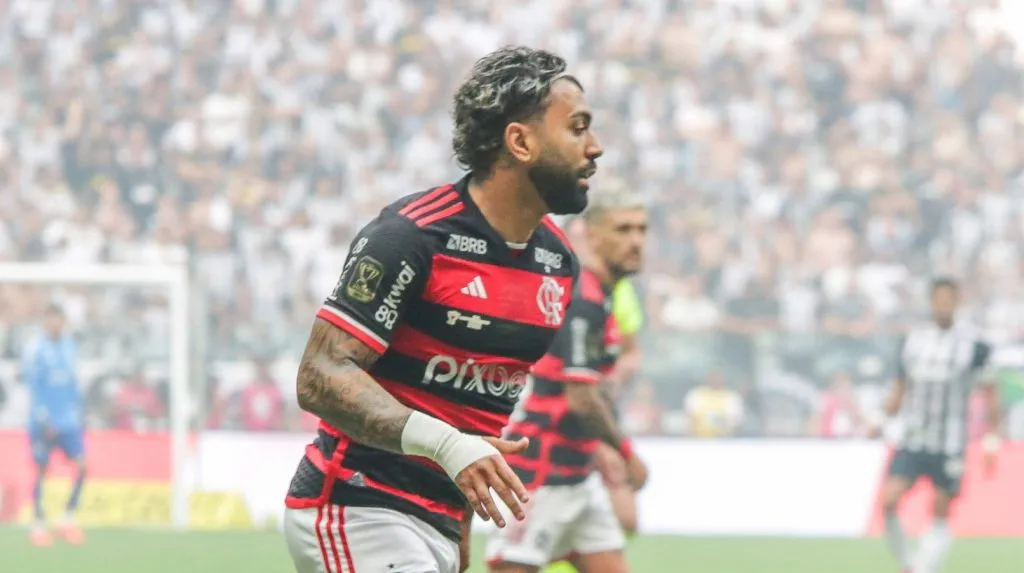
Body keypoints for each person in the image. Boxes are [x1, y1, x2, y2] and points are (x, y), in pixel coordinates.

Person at [282, 45, 603, 573]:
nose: (595, 147)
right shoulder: (413, 235)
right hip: (356, 506)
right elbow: (319, 374)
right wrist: (447, 446)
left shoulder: (556, 263)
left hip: (438, 524)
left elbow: (476, 425)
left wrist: (460, 535)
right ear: (520, 141)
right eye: (577, 127)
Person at [486, 185, 649, 573]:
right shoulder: (584, 299)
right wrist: (625, 454)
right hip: (539, 474)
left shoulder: (606, 295)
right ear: (591, 234)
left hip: (576, 475)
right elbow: (580, 397)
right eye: (623, 230)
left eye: (642, 230)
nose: (636, 241)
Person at [871, 278, 1002, 573]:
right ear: (931, 302)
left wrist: (992, 441)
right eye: (939, 299)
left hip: (950, 443)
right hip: (914, 437)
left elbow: (991, 395)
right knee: (889, 500)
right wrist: (880, 419)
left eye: (949, 299)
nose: (944, 305)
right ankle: (909, 564)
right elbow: (899, 390)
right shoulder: (913, 342)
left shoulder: (975, 347)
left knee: (940, 509)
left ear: (957, 302)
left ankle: (923, 569)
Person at [545, 213, 646, 573]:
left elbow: (631, 351)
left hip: (596, 405)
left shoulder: (617, 292)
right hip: (559, 417)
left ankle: (569, 547)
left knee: (627, 519)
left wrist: (615, 376)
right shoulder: (565, 289)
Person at [21, 304, 87, 547]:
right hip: (43, 421)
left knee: (83, 466)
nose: (55, 324)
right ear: (45, 321)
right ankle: (38, 524)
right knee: (41, 469)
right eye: (51, 320)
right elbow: (32, 385)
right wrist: (43, 416)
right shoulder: (35, 348)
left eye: (59, 320)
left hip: (68, 420)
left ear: (64, 321)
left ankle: (67, 520)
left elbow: (72, 382)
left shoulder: (70, 346)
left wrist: (77, 411)